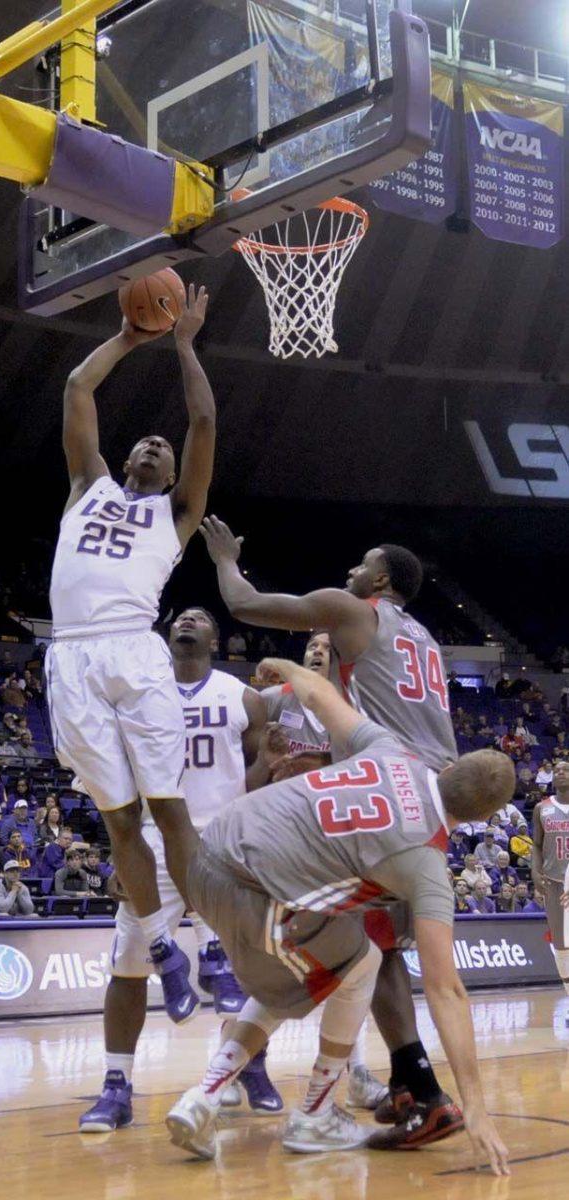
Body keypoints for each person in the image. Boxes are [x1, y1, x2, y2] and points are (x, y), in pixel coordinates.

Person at [158, 658, 512, 1174]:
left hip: (209, 851)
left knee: (298, 975)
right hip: (253, 888)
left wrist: (280, 667)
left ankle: (204, 1096)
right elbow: (445, 990)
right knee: (361, 962)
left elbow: (321, 695)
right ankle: (316, 1113)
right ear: (482, 819)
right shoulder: (428, 864)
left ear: (450, 768)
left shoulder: (395, 751)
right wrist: (476, 1105)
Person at [201, 518, 458, 1120]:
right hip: (430, 795)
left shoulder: (352, 609)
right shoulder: (425, 639)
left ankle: (379, 1088)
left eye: (361, 563)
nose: (350, 571)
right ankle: (406, 1082)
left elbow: (245, 604)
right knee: (382, 948)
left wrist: (223, 560)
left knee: (342, 943)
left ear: (382, 578)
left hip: (390, 792)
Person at [46, 286, 215, 965]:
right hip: (72, 656)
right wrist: (125, 337)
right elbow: (77, 387)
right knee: (119, 819)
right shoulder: (89, 487)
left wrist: (182, 344)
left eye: (162, 446)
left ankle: (210, 945)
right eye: (144, 441)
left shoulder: (177, 514)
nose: (153, 442)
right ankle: (159, 949)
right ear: (125, 461)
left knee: (168, 808)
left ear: (173, 473)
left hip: (134, 651)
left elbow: (202, 424)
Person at [79, 606, 284, 1134]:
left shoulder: (244, 698)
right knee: (128, 966)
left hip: (224, 845)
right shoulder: (140, 694)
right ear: (168, 635)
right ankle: (116, 1085)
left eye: (199, 617)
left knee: (247, 969)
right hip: (152, 842)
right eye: (181, 617)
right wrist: (119, 855)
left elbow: (252, 778)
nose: (187, 621)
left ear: (216, 638)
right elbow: (116, 788)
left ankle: (247, 1067)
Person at [532, 762, 569, 1011]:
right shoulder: (541, 808)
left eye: (566, 769)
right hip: (555, 883)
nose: (560, 772)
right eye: (556, 770)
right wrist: (535, 871)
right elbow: (536, 844)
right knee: (561, 945)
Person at [259, 632, 332, 755]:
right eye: (312, 646)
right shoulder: (271, 697)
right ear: (304, 657)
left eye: (328, 647)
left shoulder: (353, 704)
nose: (317, 651)